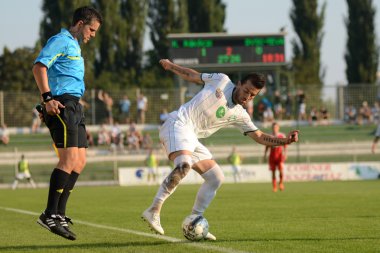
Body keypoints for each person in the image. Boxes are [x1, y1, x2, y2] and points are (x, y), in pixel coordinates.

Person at [141, 59, 299, 240]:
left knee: (216, 177)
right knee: (184, 165)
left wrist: (285, 141)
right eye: (246, 90)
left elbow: (260, 136)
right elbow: (193, 76)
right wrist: (171, 66)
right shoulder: (221, 80)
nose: (247, 97)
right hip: (178, 123)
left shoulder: (240, 115)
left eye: (253, 95)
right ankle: (154, 209)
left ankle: (194, 219)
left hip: (192, 137)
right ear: (239, 84)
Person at [32, 6, 102, 240]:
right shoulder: (61, 40)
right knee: (68, 159)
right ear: (80, 23)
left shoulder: (75, 46)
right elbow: (39, 66)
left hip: (74, 105)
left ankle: (59, 213)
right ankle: (49, 214)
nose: (92, 35)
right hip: (61, 104)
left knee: (80, 161)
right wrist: (47, 99)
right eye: (91, 30)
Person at [263, 122, 287, 192]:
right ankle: (274, 187)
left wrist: (285, 154)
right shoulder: (269, 136)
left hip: (280, 155)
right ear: (272, 128)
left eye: (276, 127)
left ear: (278, 128)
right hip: (272, 156)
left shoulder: (282, 135)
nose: (275, 129)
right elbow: (266, 146)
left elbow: (285, 145)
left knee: (281, 171)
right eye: (273, 127)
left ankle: (281, 183)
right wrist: (264, 155)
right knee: (273, 172)